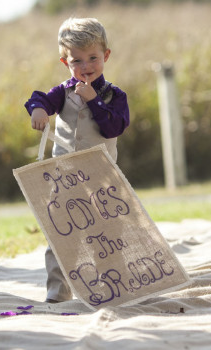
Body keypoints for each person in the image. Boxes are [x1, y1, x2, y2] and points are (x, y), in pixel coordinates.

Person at [24, 17, 130, 303]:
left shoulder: (114, 95)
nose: (86, 67)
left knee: (106, 232)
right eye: (77, 61)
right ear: (65, 63)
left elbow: (114, 127)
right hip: (65, 176)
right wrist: (37, 110)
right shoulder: (64, 92)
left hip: (102, 177)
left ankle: (112, 284)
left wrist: (94, 99)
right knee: (60, 233)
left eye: (93, 58)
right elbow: (40, 99)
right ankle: (58, 289)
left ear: (105, 56)